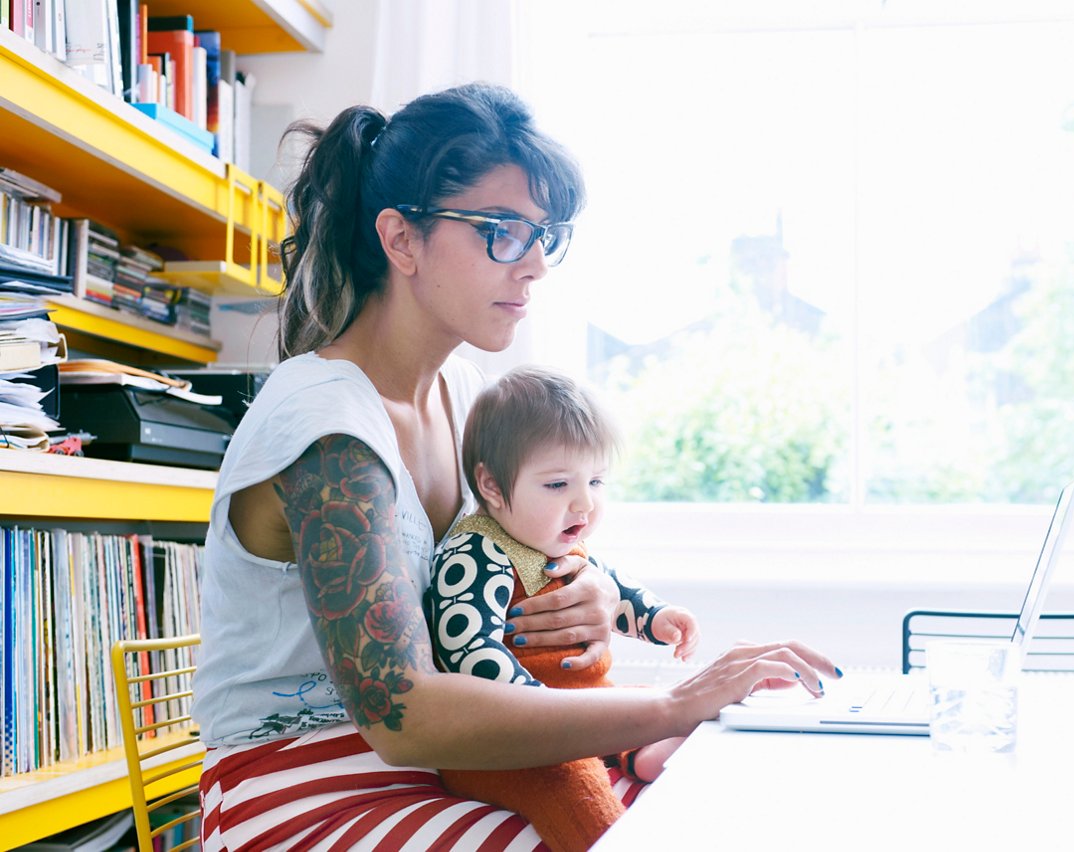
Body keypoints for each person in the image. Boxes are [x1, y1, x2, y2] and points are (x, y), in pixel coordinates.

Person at [191, 82, 838, 851]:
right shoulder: (329, 427)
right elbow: (402, 716)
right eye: (500, 230)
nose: (533, 265)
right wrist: (675, 702)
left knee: (720, 798)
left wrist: (585, 591)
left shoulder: (469, 400)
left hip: (450, 761)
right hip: (303, 781)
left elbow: (518, 558)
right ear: (401, 240)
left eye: (544, 235)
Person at [426, 365, 698, 851]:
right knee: (572, 783)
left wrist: (658, 619)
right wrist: (548, 713)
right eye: (558, 485)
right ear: (491, 486)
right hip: (512, 742)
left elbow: (614, 589)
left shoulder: (558, 539)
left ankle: (639, 753)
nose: (584, 504)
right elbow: (466, 651)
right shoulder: (477, 554)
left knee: (651, 705)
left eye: (596, 482)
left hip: (577, 704)